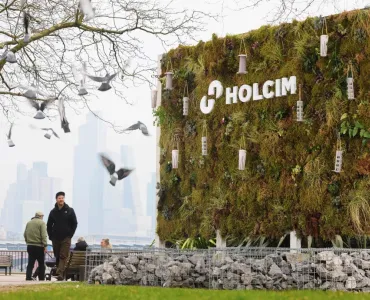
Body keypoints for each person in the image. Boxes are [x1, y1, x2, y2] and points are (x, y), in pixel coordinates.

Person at [47, 191, 78, 281]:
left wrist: (70, 235)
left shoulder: (70, 210)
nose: (61, 199)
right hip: (55, 238)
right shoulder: (53, 212)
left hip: (66, 238)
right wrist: (50, 236)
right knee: (57, 256)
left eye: (62, 198)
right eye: (59, 198)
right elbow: (49, 225)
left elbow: (75, 223)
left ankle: (60, 273)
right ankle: (59, 270)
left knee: (63, 256)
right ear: (56, 200)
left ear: (64, 199)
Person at [24, 211, 47, 281]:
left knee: (30, 263)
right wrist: (45, 245)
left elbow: (25, 234)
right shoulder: (42, 223)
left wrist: (28, 242)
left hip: (30, 246)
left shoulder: (29, 223)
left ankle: (28, 277)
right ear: (41, 216)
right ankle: (41, 278)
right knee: (41, 263)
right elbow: (43, 235)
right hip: (39, 246)